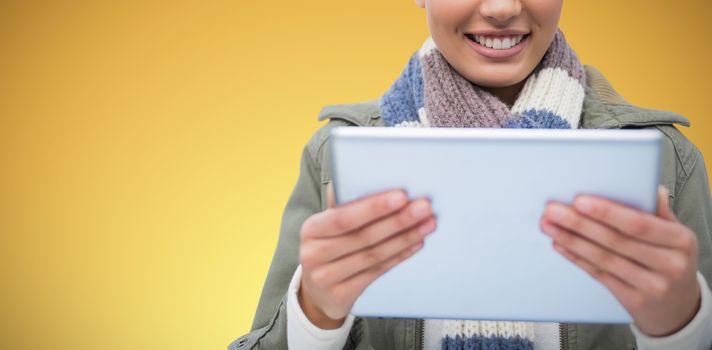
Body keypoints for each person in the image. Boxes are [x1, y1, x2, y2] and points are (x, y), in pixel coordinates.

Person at [229, 0, 712, 349]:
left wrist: (682, 327)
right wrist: (316, 313)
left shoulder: (667, 161)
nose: (502, 7)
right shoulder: (337, 157)